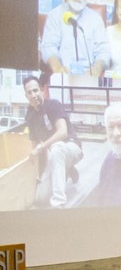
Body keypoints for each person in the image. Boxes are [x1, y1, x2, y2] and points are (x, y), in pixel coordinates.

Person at [22, 74, 83, 208]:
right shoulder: (31, 116)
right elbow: (36, 148)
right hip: (55, 154)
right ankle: (69, 169)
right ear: (26, 97)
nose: (33, 95)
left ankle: (58, 203)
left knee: (57, 147)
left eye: (35, 90)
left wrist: (41, 147)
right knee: (41, 196)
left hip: (71, 146)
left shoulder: (53, 105)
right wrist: (39, 174)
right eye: (29, 92)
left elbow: (63, 132)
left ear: (42, 90)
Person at [39, 0, 109, 76]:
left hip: (89, 76)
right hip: (63, 73)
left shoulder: (96, 19)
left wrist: (96, 68)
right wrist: (58, 69)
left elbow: (104, 50)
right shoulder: (55, 15)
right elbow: (49, 47)